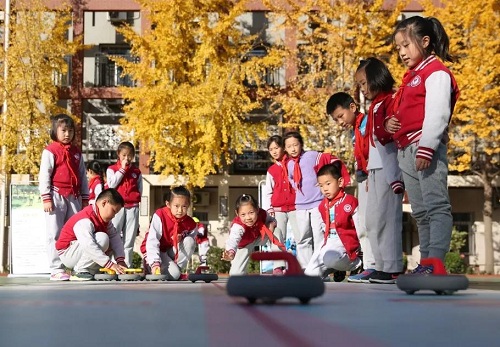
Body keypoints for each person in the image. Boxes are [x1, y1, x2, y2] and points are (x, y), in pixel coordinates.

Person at [387, 16, 460, 274]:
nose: (402, 52)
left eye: (406, 45)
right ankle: (426, 263)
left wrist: (427, 148)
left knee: (436, 205)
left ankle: (435, 262)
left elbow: (438, 113)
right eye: (398, 48)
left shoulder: (436, 72)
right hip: (406, 149)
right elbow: (404, 113)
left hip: (424, 147)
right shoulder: (412, 77)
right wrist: (391, 124)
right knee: (420, 211)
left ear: (425, 41)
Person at [328, 59, 405, 284]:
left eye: (364, 83)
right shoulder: (375, 108)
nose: (362, 88)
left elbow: (388, 137)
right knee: (372, 220)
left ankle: (390, 267)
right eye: (360, 85)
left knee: (386, 218)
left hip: (387, 167)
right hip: (372, 170)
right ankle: (379, 266)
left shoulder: (390, 101)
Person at [326, 91, 377, 282]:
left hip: (374, 176)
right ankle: (369, 264)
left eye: (341, 116)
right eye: (335, 119)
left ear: (353, 107)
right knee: (364, 223)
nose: (340, 122)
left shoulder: (367, 124)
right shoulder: (353, 129)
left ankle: (377, 265)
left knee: (373, 223)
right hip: (363, 177)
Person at [283, 131, 351, 269]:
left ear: (301, 145)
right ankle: (306, 268)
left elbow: (329, 159)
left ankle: (320, 267)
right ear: (285, 148)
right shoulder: (288, 164)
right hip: (300, 205)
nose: (293, 148)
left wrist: (324, 180)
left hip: (317, 203)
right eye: (289, 146)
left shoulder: (312, 155)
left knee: (319, 236)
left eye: (296, 145)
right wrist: (295, 187)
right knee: (302, 238)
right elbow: (290, 178)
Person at [39, 114, 89, 281]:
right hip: (56, 196)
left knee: (76, 232)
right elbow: (44, 175)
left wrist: (84, 198)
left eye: (70, 130)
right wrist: (46, 197)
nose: (67, 134)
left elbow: (82, 175)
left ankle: (75, 266)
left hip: (74, 197)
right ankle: (56, 268)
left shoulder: (76, 152)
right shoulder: (50, 151)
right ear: (55, 131)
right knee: (54, 233)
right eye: (63, 130)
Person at [304, 163, 362, 280]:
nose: (324, 188)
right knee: (309, 276)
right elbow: (323, 229)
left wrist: (361, 250)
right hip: (329, 243)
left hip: (346, 244)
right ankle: (336, 268)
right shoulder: (322, 206)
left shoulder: (350, 202)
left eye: (328, 184)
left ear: (340, 182)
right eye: (321, 185)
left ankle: (357, 264)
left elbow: (361, 229)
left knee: (330, 258)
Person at [55, 188, 128, 281]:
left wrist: (120, 260)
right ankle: (79, 271)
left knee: (109, 239)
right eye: (113, 211)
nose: (114, 216)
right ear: (104, 203)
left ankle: (91, 271)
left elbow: (115, 238)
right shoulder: (85, 218)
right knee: (102, 238)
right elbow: (88, 244)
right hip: (68, 254)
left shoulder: (104, 220)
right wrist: (110, 264)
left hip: (78, 251)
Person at [140, 186, 197, 280]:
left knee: (189, 241)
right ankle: (149, 266)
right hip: (155, 250)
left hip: (170, 250)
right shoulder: (160, 215)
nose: (180, 210)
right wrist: (155, 263)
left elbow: (190, 242)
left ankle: (177, 270)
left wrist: (181, 238)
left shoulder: (190, 223)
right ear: (168, 204)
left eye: (184, 206)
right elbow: (152, 241)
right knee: (172, 275)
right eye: (176, 206)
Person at [221, 194, 286, 276]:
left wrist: (272, 224)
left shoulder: (263, 214)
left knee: (277, 231)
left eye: (251, 213)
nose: (248, 217)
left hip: (260, 237)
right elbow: (233, 240)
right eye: (243, 215)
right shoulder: (238, 226)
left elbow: (272, 219)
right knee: (235, 275)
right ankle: (244, 276)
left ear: (257, 210)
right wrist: (230, 252)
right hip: (244, 245)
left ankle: (278, 268)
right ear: (237, 213)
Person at [261, 135, 298, 272]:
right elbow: (268, 192)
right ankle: (278, 266)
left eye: (277, 148)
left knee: (302, 236)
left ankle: (305, 266)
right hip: (277, 209)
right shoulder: (271, 170)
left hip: (295, 207)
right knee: (276, 236)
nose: (275, 151)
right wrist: (269, 210)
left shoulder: (293, 164)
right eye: (271, 150)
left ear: (283, 147)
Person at [106, 141, 143, 267]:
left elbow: (140, 189)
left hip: (132, 207)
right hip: (117, 208)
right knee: (113, 235)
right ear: (118, 154)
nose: (126, 158)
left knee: (129, 239)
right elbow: (112, 185)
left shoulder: (136, 172)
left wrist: (137, 203)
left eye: (129, 156)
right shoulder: (112, 169)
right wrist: (122, 169)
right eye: (124, 155)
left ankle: (126, 265)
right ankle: (109, 264)